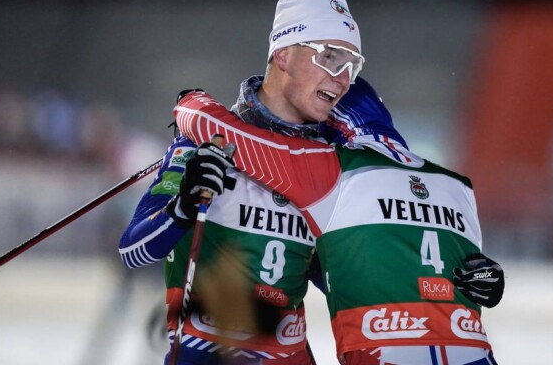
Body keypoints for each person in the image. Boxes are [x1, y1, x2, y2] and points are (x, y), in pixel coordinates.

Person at [174, 77, 504, 365]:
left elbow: (219, 128)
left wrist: (190, 101)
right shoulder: (455, 183)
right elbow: (449, 272)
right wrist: (485, 279)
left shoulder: (330, 168)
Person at [119, 0, 366, 365]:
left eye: (352, 65)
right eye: (331, 58)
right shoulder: (208, 142)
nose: (343, 78)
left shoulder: (328, 161)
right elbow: (133, 250)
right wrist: (184, 204)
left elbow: (342, 280)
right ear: (283, 53)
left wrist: (448, 278)